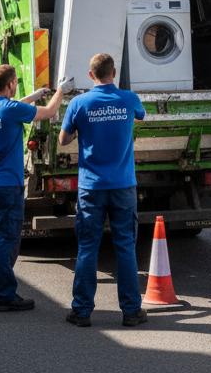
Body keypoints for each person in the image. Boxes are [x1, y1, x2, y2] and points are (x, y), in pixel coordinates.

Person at [59, 53, 147, 328]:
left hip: (91, 187)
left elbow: (63, 140)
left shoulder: (78, 103)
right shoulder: (129, 99)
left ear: (90, 75)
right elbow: (141, 119)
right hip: (123, 186)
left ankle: (82, 311)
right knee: (125, 247)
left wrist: (82, 129)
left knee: (87, 248)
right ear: (114, 72)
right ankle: (131, 311)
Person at [0, 64, 69, 312]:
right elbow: (49, 112)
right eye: (15, 82)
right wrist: (62, 90)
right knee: (7, 238)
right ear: (11, 84)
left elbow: (16, 107)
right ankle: (5, 294)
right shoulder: (10, 110)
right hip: (8, 184)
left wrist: (36, 95)